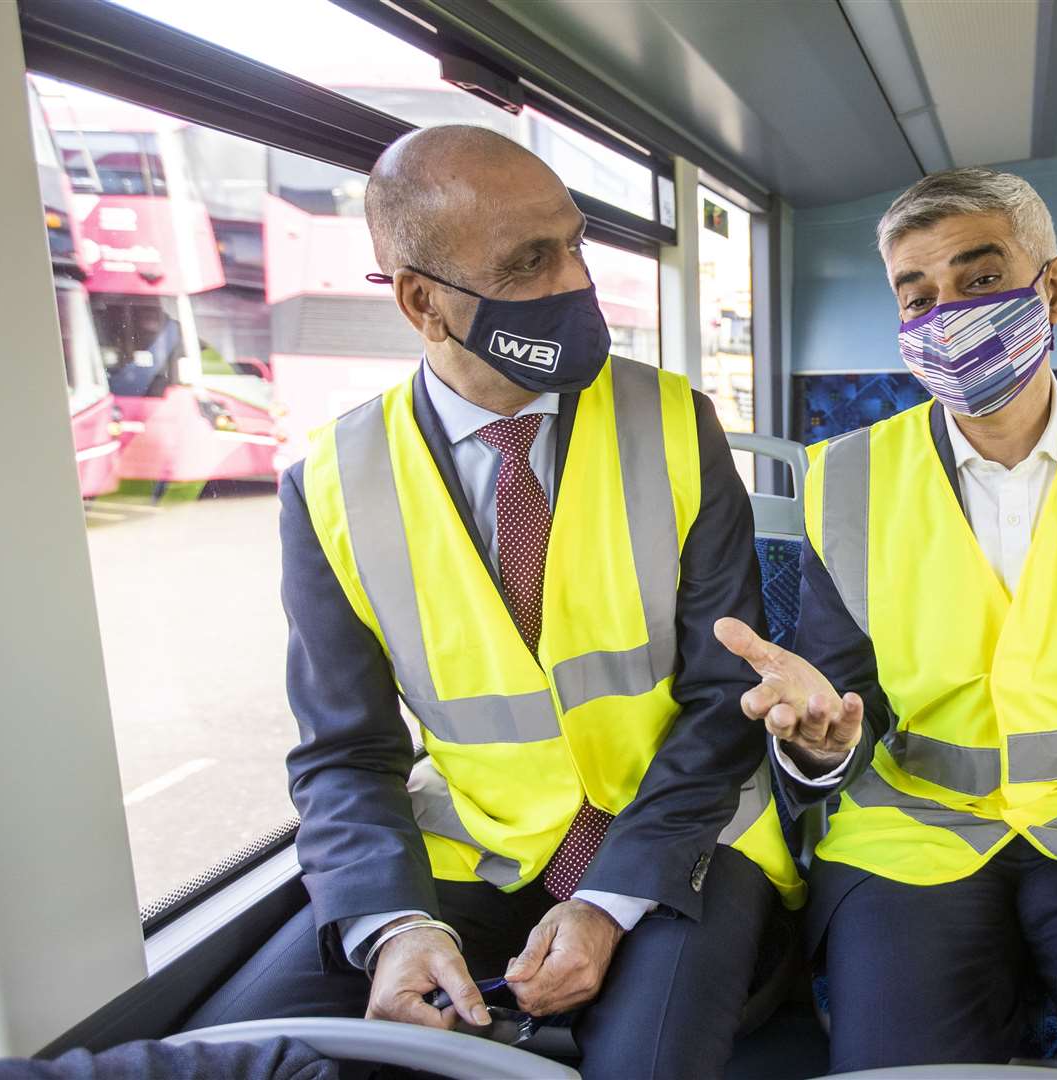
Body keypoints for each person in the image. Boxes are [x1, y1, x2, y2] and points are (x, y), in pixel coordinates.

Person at [188, 125, 802, 1078]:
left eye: (574, 245)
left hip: (682, 831)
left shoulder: (678, 423)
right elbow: (346, 751)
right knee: (258, 1048)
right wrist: (392, 925)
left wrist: (608, 901)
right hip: (473, 845)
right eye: (528, 262)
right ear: (422, 300)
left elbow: (724, 695)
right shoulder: (330, 484)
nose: (575, 283)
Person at [715, 166, 1057, 1077]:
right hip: (915, 837)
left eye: (980, 280)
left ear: (1054, 288)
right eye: (915, 295)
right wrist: (817, 744)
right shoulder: (847, 479)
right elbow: (849, 703)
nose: (946, 314)